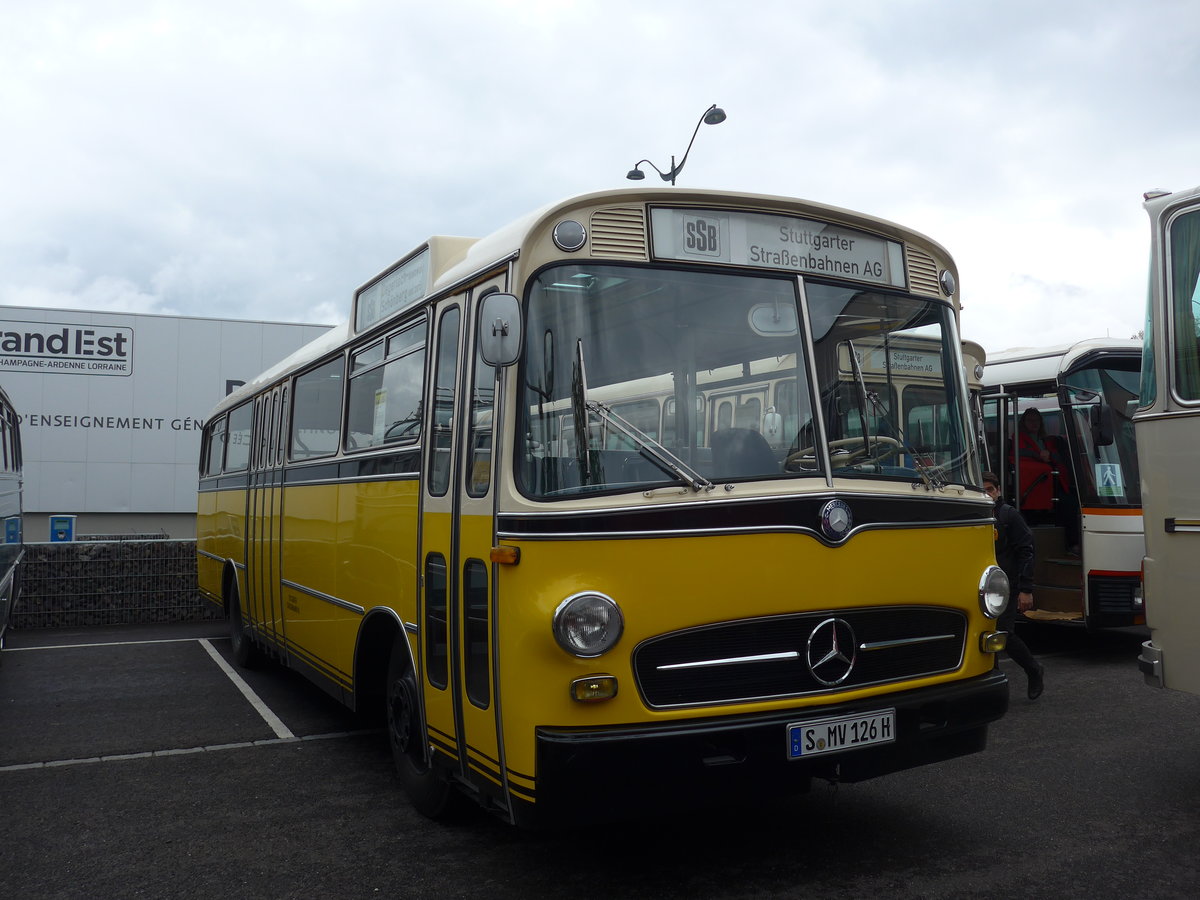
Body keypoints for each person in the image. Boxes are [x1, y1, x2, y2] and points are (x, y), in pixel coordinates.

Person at [983, 470, 1045, 700]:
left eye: (990, 489)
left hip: (1006, 585)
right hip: (982, 586)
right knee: (984, 636)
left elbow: (1026, 551)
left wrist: (1026, 589)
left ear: (998, 491)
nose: (987, 494)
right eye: (982, 490)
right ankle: (994, 686)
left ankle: (1033, 669)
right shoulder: (974, 515)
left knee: (1004, 633)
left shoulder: (1008, 515)